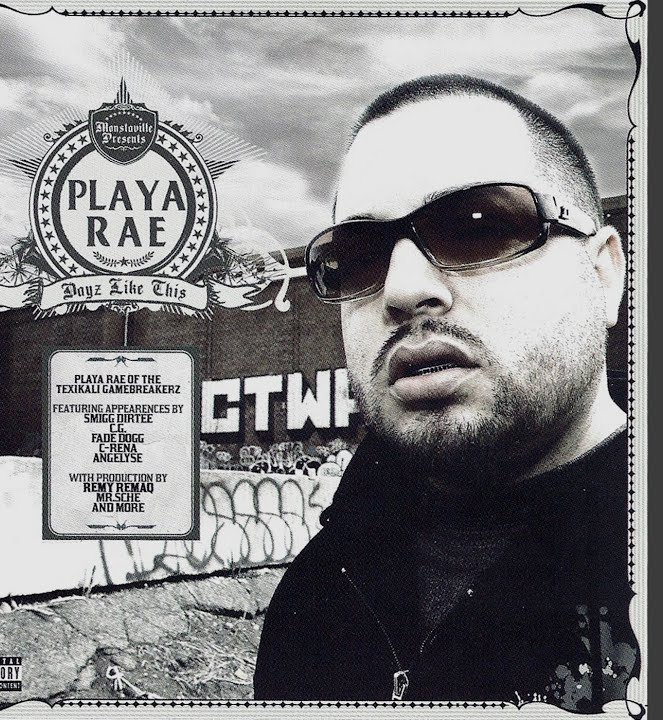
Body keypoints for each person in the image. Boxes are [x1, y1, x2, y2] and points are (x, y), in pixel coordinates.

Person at [253, 75, 639, 710]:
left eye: (477, 226)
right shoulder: (316, 595)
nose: (403, 290)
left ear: (604, 274)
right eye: (358, 257)